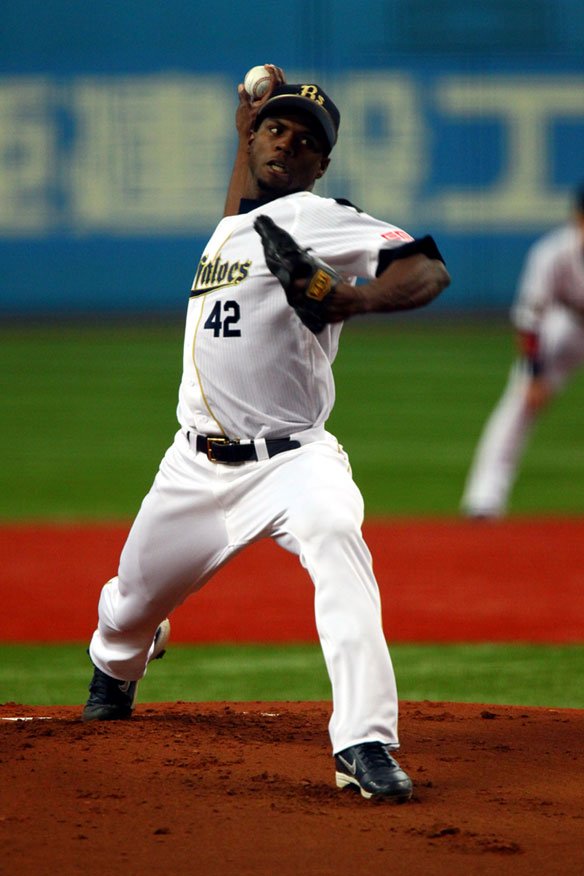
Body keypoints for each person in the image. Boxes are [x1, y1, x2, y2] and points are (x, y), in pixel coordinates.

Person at [82, 68, 450, 803]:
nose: (287, 143)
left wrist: (354, 299)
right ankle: (120, 665)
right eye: (275, 129)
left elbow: (427, 269)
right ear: (253, 137)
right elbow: (243, 206)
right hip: (192, 470)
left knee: (336, 536)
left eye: (305, 141)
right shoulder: (234, 228)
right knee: (125, 612)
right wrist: (241, 133)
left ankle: (364, 740)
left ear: (322, 164)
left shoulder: (319, 217)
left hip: (293, 463)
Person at [461, 183, 584, 519]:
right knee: (519, 405)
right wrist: (535, 374)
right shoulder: (553, 253)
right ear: (577, 218)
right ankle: (484, 499)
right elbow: (530, 318)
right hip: (566, 326)